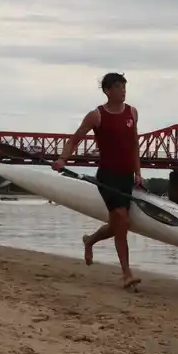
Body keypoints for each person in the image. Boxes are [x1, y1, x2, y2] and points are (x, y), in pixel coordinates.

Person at [52, 72, 143, 290]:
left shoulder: (132, 112)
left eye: (124, 87)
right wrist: (62, 159)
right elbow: (75, 138)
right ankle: (126, 275)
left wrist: (138, 173)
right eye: (119, 87)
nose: (123, 90)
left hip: (126, 176)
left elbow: (134, 146)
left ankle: (90, 240)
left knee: (117, 225)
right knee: (122, 221)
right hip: (108, 176)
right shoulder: (97, 115)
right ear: (107, 91)